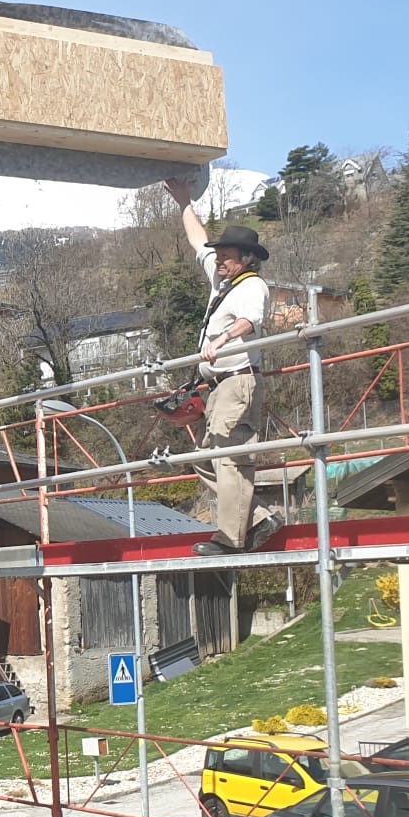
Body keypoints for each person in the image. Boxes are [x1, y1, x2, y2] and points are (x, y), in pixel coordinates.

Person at [164, 179, 280, 557]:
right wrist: (184, 202)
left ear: (246, 258)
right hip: (218, 386)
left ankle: (231, 539)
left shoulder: (252, 286)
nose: (217, 260)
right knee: (206, 459)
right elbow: (199, 242)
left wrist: (220, 341)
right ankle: (260, 519)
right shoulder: (222, 281)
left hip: (237, 381)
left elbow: (250, 322)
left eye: (225, 256)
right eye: (219, 256)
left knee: (229, 459)